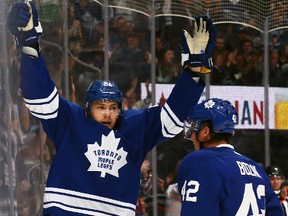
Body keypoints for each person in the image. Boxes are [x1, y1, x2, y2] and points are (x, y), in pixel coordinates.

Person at [7, 2, 216, 215]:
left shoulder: (135, 127)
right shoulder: (71, 120)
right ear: (88, 108)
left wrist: (192, 72)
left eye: (113, 107)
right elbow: (39, 97)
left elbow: (172, 119)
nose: (107, 113)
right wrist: (30, 44)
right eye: (100, 107)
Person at [178, 98, 283, 215]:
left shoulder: (199, 162)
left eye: (193, 127)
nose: (191, 136)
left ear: (205, 131)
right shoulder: (256, 169)